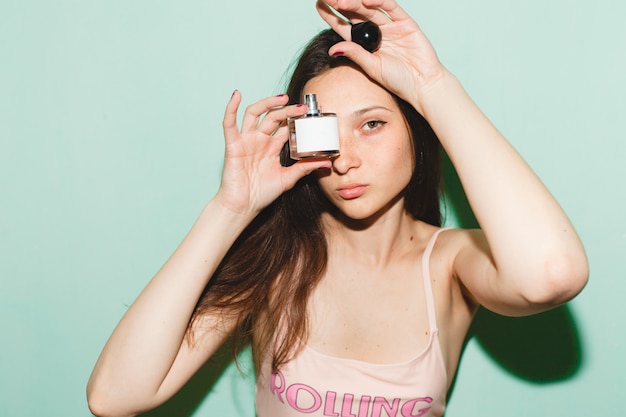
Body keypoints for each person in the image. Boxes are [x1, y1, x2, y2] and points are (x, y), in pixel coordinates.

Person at [87, 1, 589, 416]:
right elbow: (114, 396)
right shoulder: (278, 258)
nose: (345, 160)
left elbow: (552, 274)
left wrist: (434, 88)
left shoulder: (450, 263)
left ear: (416, 132)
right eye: (324, 132)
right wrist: (230, 209)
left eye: (372, 124)